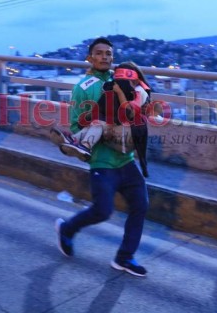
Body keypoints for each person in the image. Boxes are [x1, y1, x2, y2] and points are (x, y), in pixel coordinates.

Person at [54, 37, 149, 277]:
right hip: (102, 160)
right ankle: (67, 228)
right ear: (89, 58)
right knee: (103, 210)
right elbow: (76, 126)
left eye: (108, 53)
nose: (105, 56)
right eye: (99, 53)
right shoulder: (84, 87)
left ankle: (124, 257)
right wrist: (104, 132)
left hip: (126, 160)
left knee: (141, 205)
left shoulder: (121, 78)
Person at [51, 61, 151, 177]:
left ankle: (85, 147)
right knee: (96, 122)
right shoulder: (126, 92)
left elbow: (129, 112)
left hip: (128, 137)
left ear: (135, 80)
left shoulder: (140, 92)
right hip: (121, 131)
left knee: (98, 124)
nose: (121, 85)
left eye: (125, 82)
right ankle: (74, 142)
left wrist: (119, 93)